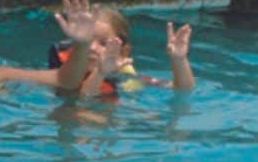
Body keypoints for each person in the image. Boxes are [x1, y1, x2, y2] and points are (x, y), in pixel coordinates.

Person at [45, 5, 198, 95]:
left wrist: (179, 60)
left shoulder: (125, 78)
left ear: (123, 53)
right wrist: (100, 73)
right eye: (86, 40)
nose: (91, 47)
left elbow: (182, 90)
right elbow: (83, 100)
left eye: (104, 43)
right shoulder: (62, 73)